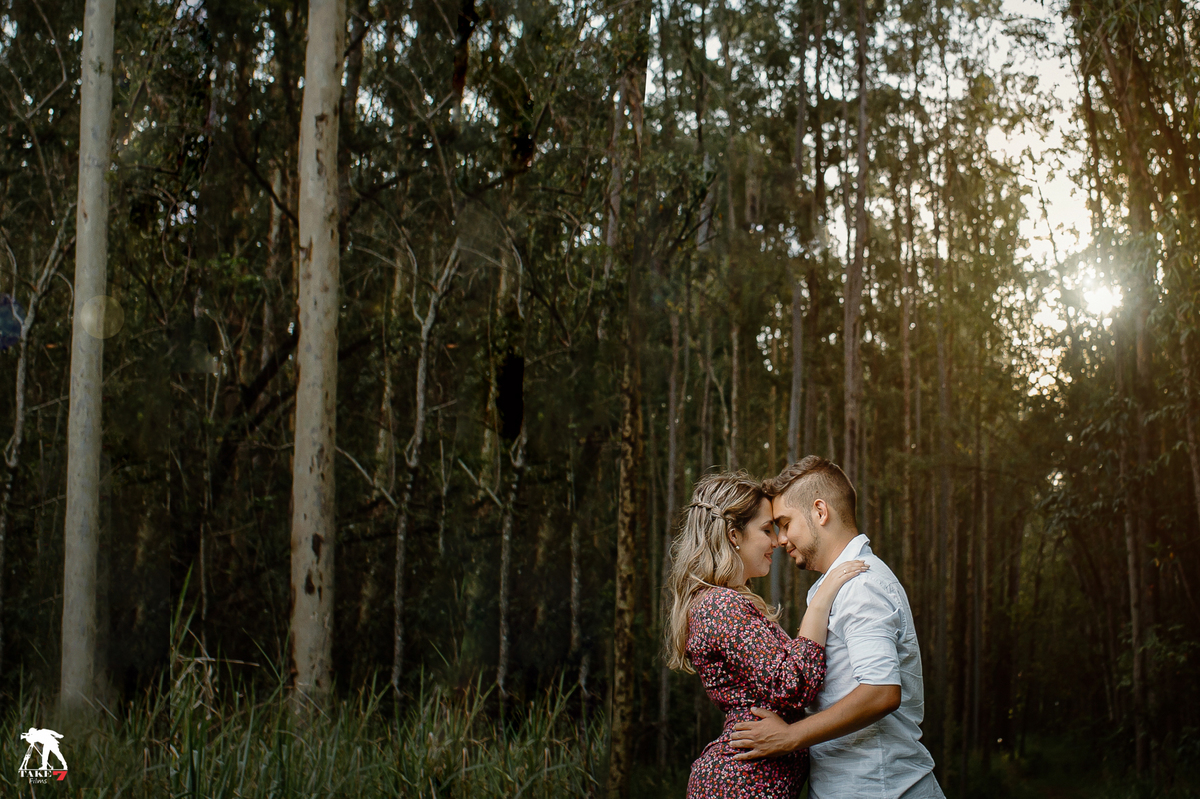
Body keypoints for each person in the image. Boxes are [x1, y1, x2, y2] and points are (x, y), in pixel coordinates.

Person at [729, 456, 944, 799]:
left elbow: (881, 692)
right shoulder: (841, 585)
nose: (781, 540)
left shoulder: (862, 585)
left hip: (883, 789)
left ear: (820, 511)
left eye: (785, 523)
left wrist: (790, 737)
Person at [664, 471, 870, 799]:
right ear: (734, 535)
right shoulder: (720, 605)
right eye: (766, 530)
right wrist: (820, 602)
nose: (776, 541)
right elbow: (791, 684)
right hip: (737, 785)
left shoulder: (724, 602)